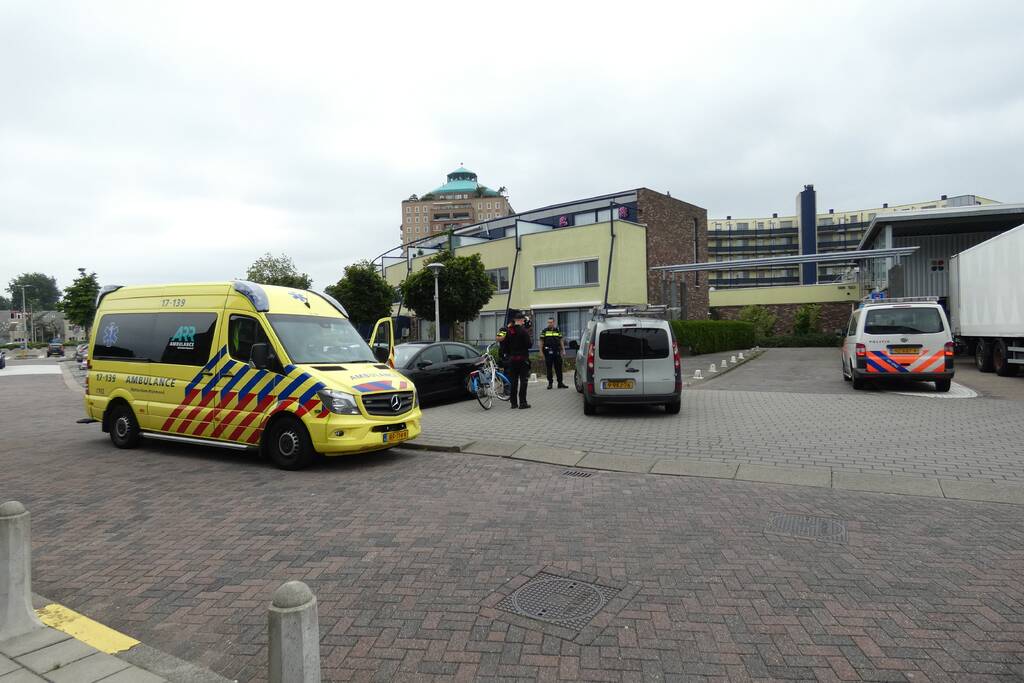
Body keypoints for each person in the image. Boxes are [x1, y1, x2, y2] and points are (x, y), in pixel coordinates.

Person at [497, 310, 532, 409]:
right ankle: (522, 402)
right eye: (523, 320)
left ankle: (513, 403)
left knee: (513, 381)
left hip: (512, 359)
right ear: (520, 320)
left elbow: (505, 346)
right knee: (523, 381)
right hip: (522, 359)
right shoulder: (523, 331)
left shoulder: (508, 331)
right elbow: (529, 345)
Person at [540, 317, 569, 389]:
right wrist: (541, 351)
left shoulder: (557, 330)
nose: (549, 324)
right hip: (548, 352)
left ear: (554, 323)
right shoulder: (544, 331)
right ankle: (550, 383)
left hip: (557, 352)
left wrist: (563, 350)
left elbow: (561, 340)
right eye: (548, 322)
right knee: (549, 368)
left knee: (559, 368)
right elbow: (541, 341)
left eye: (551, 322)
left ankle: (560, 383)